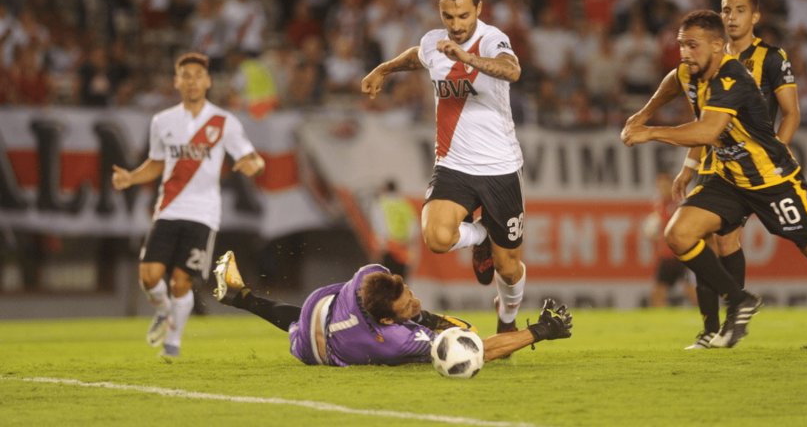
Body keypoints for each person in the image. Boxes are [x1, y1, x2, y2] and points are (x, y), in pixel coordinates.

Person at [621, 10, 807, 359]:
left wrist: (649, 131)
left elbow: (708, 131)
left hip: (773, 181)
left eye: (692, 46)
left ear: (717, 45)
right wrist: (643, 113)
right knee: (678, 233)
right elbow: (673, 81)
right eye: (681, 45)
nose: (684, 53)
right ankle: (738, 301)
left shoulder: (731, 79)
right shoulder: (690, 70)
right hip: (730, 180)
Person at [628, 0, 801, 349]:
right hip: (711, 155)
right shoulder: (701, 53)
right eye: (726, 9)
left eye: (739, 10)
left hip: (750, 162)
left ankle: (728, 322)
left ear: (754, 17)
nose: (731, 16)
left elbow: (789, 113)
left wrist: (773, 158)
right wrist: (688, 165)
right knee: (699, 237)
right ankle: (712, 328)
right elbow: (696, 110)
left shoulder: (767, 58)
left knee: (725, 240)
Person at [361, 0, 527, 334]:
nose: (455, 25)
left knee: (509, 267)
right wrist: (384, 69)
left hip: (500, 168)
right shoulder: (436, 41)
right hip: (453, 164)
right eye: (448, 16)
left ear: (479, 8)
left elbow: (511, 71)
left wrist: (466, 58)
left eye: (464, 16)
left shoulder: (492, 40)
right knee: (436, 238)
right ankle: (481, 237)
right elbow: (417, 57)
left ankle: (508, 320)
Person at [112, 52, 265, 358]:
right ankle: (163, 311)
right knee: (149, 276)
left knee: (182, 281)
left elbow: (251, 158)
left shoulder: (224, 122)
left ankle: (173, 342)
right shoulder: (162, 121)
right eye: (186, 75)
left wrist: (256, 166)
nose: (192, 81)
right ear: (176, 81)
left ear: (208, 81)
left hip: (204, 214)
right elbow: (156, 163)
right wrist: (131, 178)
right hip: (168, 208)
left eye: (198, 75)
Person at [211, 251, 573, 366]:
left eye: (410, 294)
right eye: (407, 307)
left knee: (303, 318)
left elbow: (389, 289)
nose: (415, 302)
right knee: (461, 341)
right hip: (314, 350)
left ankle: (240, 297)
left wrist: (421, 315)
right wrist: (539, 331)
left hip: (316, 306)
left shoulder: (373, 274)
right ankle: (241, 298)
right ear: (386, 319)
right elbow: (473, 349)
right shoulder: (395, 341)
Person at [645, 172, 696, 308]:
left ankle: (710, 316)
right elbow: (655, 232)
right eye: (660, 184)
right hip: (667, 255)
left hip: (683, 254)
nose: (662, 187)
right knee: (658, 293)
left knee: (691, 290)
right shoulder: (658, 204)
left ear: (672, 184)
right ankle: (659, 323)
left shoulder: (680, 202)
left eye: (665, 183)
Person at [370, 179, 420, 279]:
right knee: (400, 279)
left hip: (389, 246)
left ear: (385, 189)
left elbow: (378, 225)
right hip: (404, 246)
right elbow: (414, 226)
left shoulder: (381, 203)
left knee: (386, 279)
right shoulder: (405, 204)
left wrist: (380, 245)